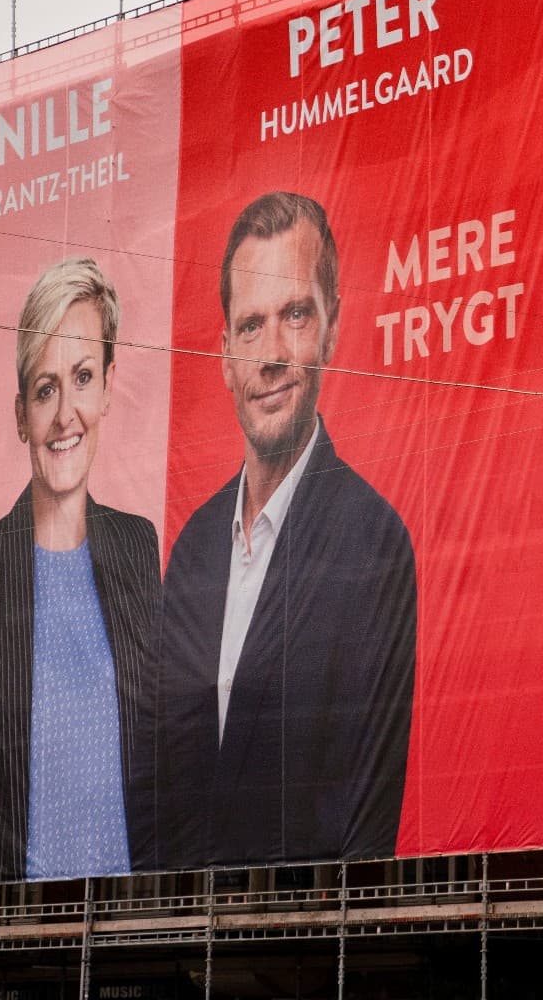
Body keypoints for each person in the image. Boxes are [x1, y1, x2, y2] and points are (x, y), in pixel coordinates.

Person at [155, 191, 416, 868]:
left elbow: (367, 814)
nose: (270, 355)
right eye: (250, 326)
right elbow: (162, 785)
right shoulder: (192, 550)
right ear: (225, 354)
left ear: (331, 329)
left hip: (308, 950)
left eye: (295, 316)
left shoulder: (374, 541)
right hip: (181, 947)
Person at [0, 257, 160, 886]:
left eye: (81, 378)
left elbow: (165, 753)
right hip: (7, 949)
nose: (65, 414)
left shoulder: (138, 547)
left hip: (134, 941)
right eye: (46, 389)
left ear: (107, 388)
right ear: (21, 413)